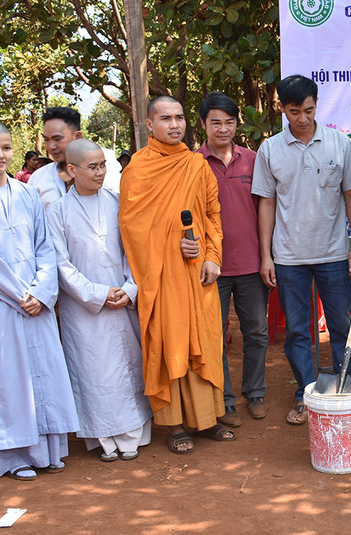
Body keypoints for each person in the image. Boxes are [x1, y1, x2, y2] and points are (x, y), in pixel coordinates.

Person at [0, 120, 78, 480]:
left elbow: (45, 247)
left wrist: (41, 292)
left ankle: (48, 452)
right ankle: (14, 457)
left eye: (6, 147)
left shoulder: (26, 194)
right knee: (8, 375)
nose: (0, 154)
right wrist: (19, 295)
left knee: (43, 372)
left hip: (35, 300)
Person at [252, 75, 351, 425]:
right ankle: (306, 394)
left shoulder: (338, 142)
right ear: (282, 109)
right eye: (293, 111)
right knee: (298, 330)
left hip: (333, 254)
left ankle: (346, 392)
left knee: (342, 325)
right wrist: (266, 255)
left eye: (308, 110)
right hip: (289, 258)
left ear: (317, 104)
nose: (302, 118)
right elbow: (267, 204)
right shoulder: (270, 149)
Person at [119, 95, 233, 454]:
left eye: (180, 117)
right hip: (162, 277)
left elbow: (213, 216)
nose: (174, 125)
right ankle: (175, 425)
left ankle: (207, 418)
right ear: (149, 125)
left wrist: (211, 255)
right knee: (170, 342)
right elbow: (131, 230)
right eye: (165, 118)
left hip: (198, 273)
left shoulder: (197, 166)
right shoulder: (137, 170)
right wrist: (173, 247)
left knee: (205, 341)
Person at [47, 139, 153, 462]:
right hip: (84, 309)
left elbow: (134, 251)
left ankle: (133, 434)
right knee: (93, 370)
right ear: (71, 170)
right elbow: (60, 265)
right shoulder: (57, 212)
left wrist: (130, 288)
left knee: (126, 367)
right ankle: (104, 439)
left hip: (121, 300)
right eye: (92, 167)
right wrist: (96, 293)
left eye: (102, 165)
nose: (100, 172)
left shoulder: (117, 201)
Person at [195, 93, 270, 425]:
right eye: (215, 122)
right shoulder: (192, 163)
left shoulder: (254, 160)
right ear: (203, 125)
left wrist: (268, 256)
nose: (223, 129)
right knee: (215, 336)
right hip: (211, 267)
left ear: (237, 123)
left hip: (252, 263)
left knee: (257, 331)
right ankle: (224, 400)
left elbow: (267, 209)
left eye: (229, 122)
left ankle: (254, 393)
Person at [30, 107, 121, 208]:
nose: (51, 146)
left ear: (77, 136)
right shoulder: (38, 179)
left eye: (57, 139)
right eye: (46, 140)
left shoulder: (108, 170)